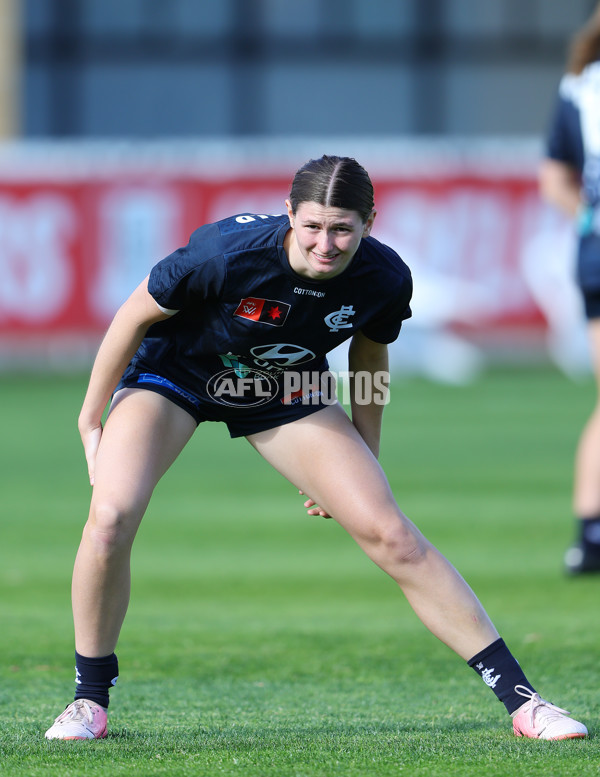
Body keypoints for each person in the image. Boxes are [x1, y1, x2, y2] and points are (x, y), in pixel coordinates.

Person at [45, 155, 587, 741]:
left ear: (369, 222)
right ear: (289, 215)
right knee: (110, 518)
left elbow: (370, 359)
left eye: (342, 228)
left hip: (284, 384)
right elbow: (131, 317)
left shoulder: (383, 277)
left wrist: (366, 452)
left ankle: (525, 702)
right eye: (312, 226)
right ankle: (87, 701)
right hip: (175, 376)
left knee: (393, 535)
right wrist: (89, 416)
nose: (325, 243)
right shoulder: (224, 255)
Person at [540, 3, 600, 575]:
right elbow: (556, 176)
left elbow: (553, 176)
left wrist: (589, 218)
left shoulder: (581, 84)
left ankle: (590, 536)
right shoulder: (582, 84)